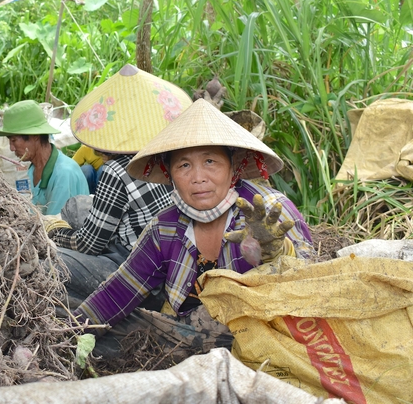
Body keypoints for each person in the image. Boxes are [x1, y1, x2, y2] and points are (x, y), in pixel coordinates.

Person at [71, 99, 313, 358]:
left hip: (266, 345)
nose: (198, 177)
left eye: (210, 161)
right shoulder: (166, 227)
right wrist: (71, 334)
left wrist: (276, 251)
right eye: (184, 165)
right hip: (188, 342)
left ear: (233, 167)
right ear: (170, 174)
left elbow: (311, 284)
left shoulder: (266, 211)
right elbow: (120, 290)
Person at [47, 64, 193, 307]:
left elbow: (89, 244)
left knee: (53, 261)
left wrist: (55, 232)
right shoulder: (166, 155)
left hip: (143, 270)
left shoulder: (117, 170)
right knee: (77, 205)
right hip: (174, 257)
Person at [0, 100, 89, 215]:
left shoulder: (63, 174)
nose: (12, 148)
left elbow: (56, 225)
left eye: (14, 140)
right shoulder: (34, 168)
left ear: (35, 136)